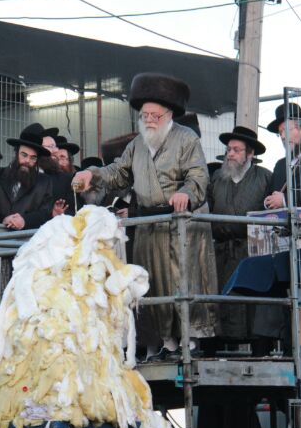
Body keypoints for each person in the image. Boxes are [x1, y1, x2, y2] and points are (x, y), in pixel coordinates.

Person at [73, 72, 217, 357]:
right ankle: (163, 342)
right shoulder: (136, 145)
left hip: (181, 222)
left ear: (168, 115)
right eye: (144, 114)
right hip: (150, 224)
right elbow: (118, 173)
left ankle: (189, 341)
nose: (149, 119)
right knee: (149, 283)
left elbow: (199, 175)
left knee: (182, 281)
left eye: (154, 115)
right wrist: (92, 175)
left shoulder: (187, 139)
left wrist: (186, 193)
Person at [207, 126, 272, 351]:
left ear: (250, 154)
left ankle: (259, 350)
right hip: (222, 251)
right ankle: (219, 350)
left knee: (252, 304)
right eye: (228, 149)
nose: (230, 154)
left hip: (251, 250)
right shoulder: (218, 177)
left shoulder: (265, 178)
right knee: (221, 302)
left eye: (236, 150)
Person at [0, 125, 54, 230]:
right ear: (16, 153)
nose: (27, 161)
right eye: (24, 155)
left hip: (26, 241)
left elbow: (45, 214)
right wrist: (4, 219)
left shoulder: (44, 182)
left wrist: (25, 220)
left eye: (33, 158)